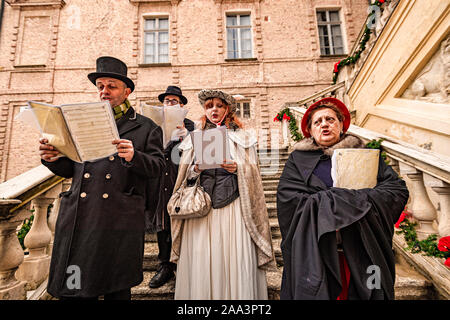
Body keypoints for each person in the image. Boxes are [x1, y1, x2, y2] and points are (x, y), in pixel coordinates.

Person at [39, 56, 164, 300]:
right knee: (74, 289)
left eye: (111, 86)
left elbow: (158, 167)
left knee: (116, 289)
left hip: (118, 220)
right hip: (81, 215)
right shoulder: (81, 121)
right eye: (100, 86)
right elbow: (71, 168)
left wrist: (134, 156)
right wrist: (52, 158)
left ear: (126, 91)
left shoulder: (146, 127)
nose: (104, 92)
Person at [276, 97, 409, 300]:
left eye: (330, 119)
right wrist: (338, 203)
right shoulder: (297, 160)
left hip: (361, 246)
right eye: (317, 122)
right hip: (318, 249)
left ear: (341, 125)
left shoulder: (363, 154)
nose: (324, 125)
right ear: (310, 131)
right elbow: (289, 200)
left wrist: (347, 200)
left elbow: (395, 190)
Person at [170, 89, 275, 299]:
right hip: (202, 209)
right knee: (203, 257)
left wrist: (237, 168)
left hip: (234, 206)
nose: (214, 110)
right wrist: (196, 169)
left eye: (219, 106)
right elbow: (184, 176)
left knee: (233, 256)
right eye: (209, 107)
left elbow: (253, 172)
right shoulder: (194, 139)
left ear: (227, 109)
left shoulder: (243, 138)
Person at [146, 86, 195, 288]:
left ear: (182, 105)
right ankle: (164, 265)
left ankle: (185, 264)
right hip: (160, 179)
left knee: (184, 221)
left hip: (181, 178)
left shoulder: (191, 126)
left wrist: (185, 136)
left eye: (174, 101)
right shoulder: (155, 125)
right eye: (167, 101)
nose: (170, 104)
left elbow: (199, 151)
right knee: (163, 223)